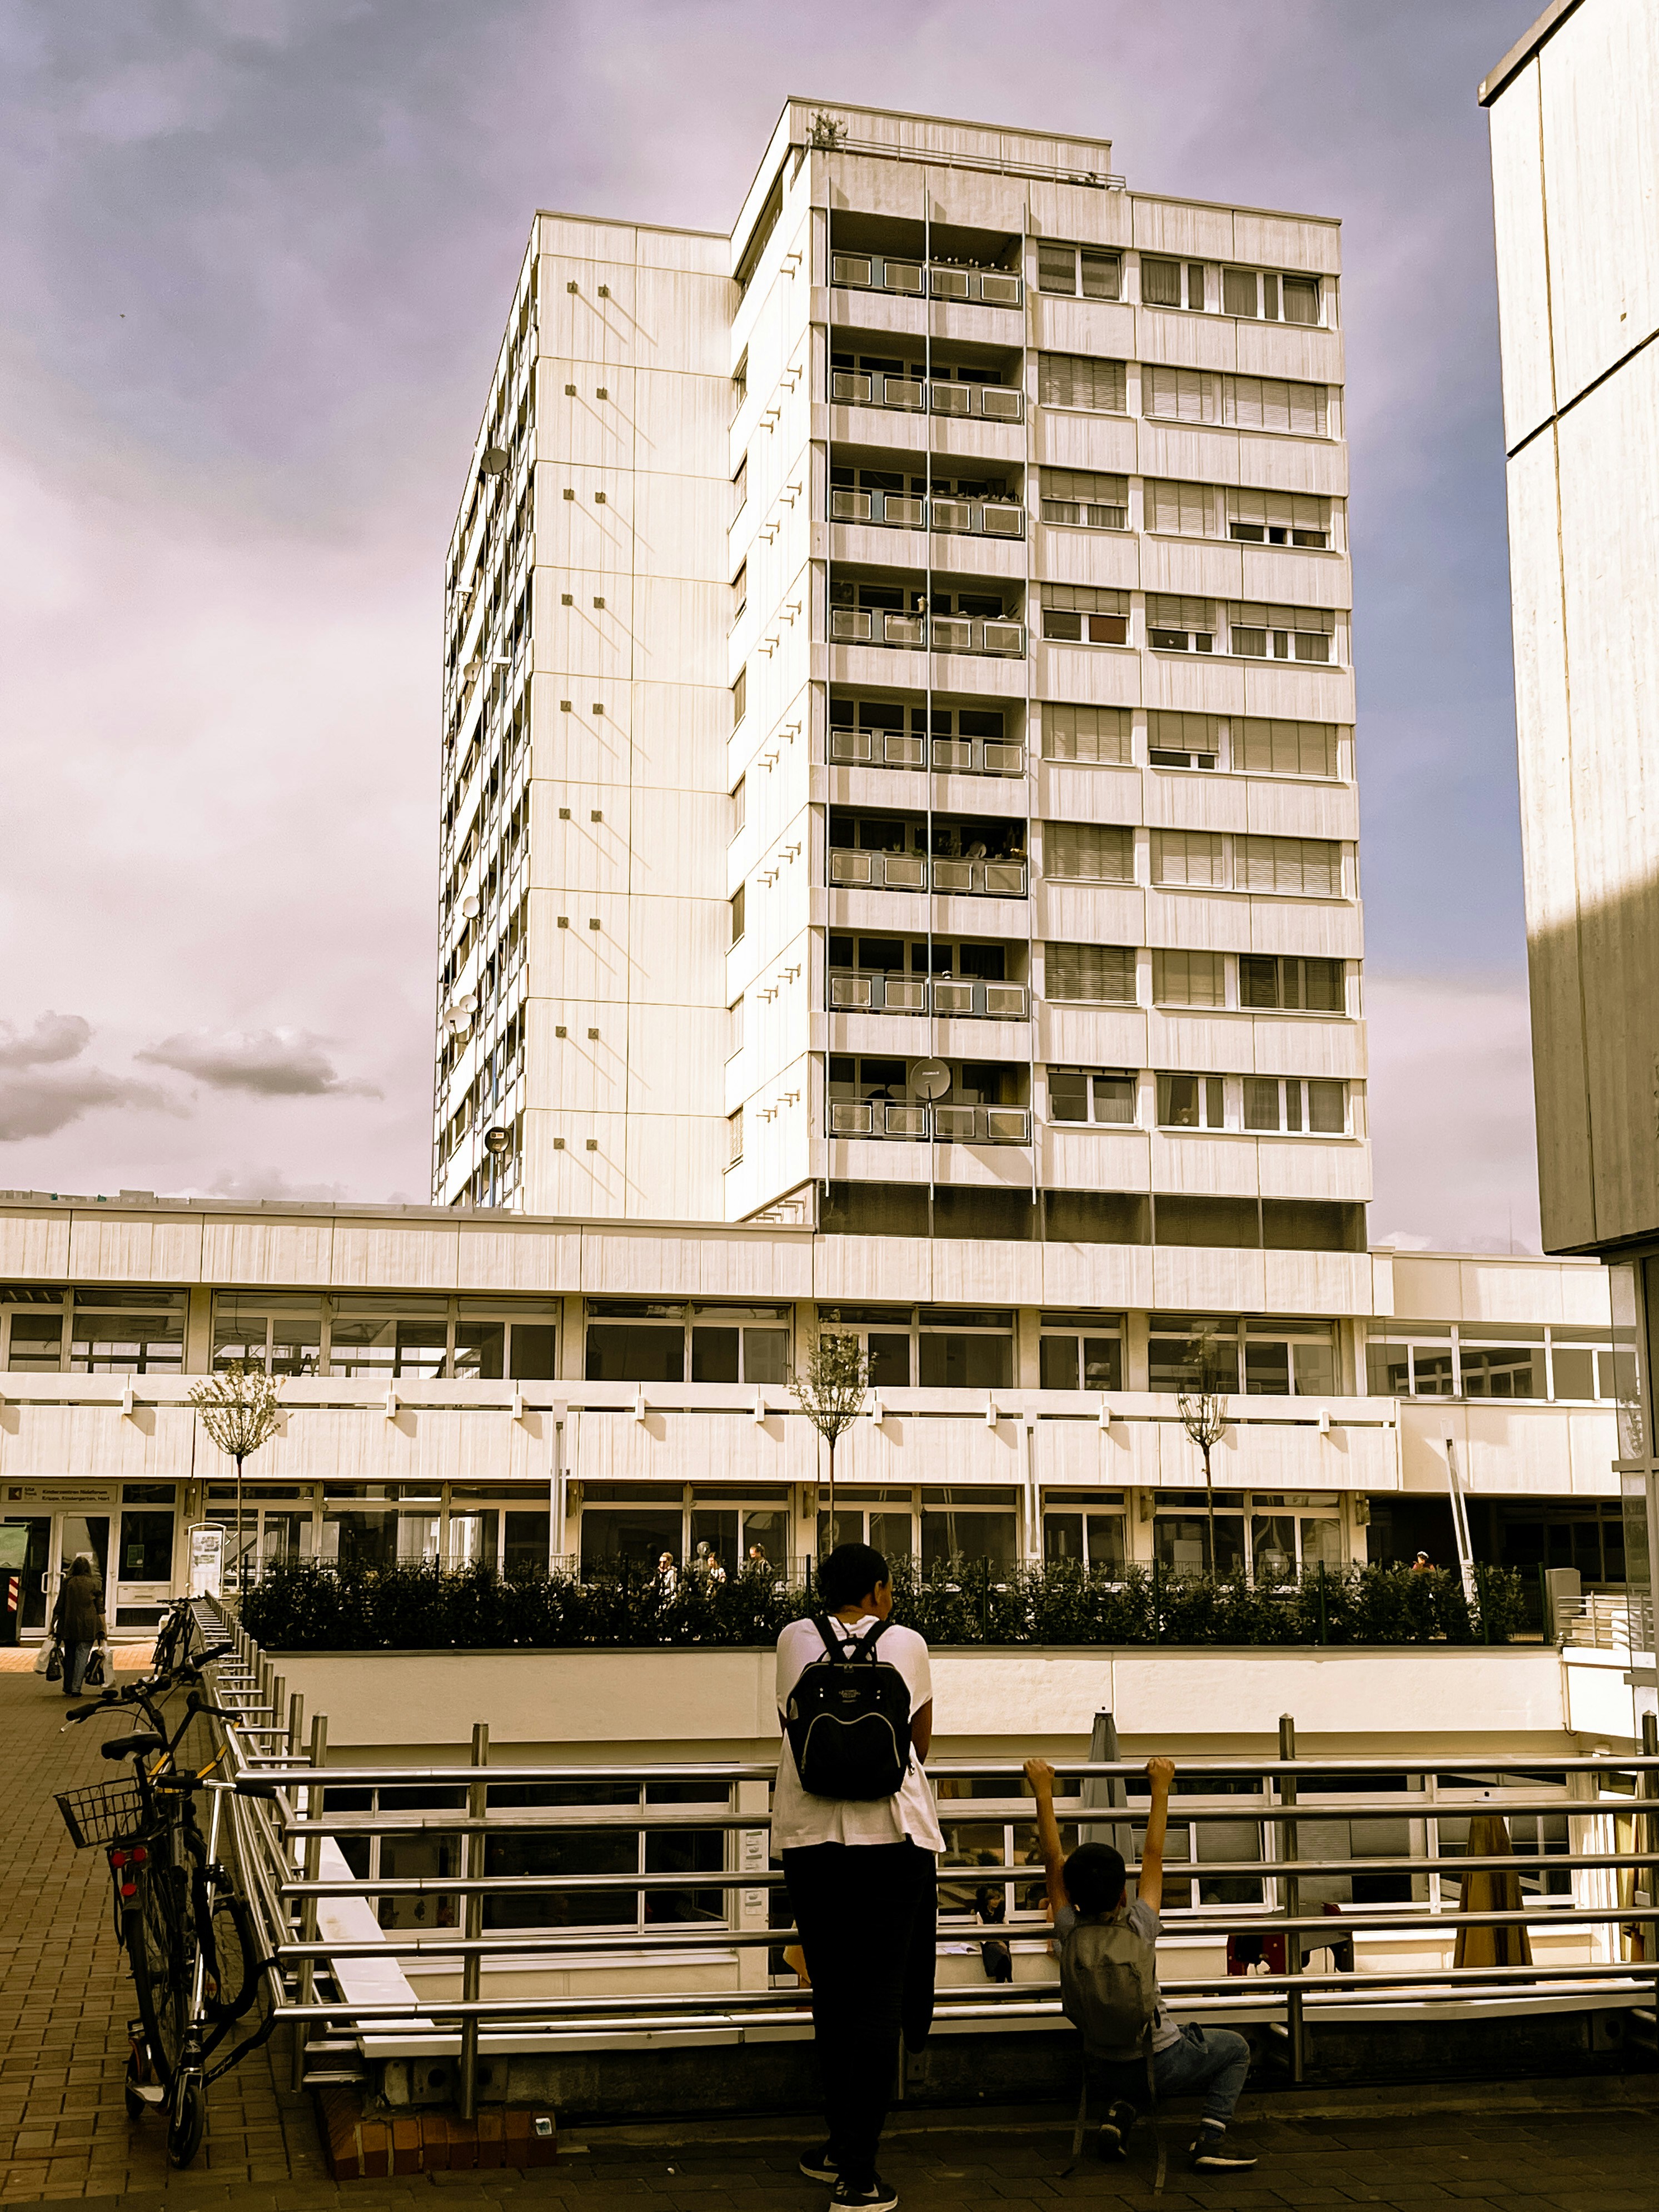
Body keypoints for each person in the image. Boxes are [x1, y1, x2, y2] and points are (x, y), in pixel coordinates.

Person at [777, 1543, 941, 2212]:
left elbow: (793, 1728)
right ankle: (859, 2174)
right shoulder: (907, 1642)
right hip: (892, 1839)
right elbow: (919, 1745)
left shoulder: (794, 1639)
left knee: (833, 1995)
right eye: (890, 1587)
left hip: (810, 1839)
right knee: (878, 2002)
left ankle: (839, 2146)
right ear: (876, 1590)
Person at [1024, 1755, 1257, 2174]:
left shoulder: (1067, 1929)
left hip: (1101, 2064)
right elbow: (1153, 1853)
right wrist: (1161, 1786)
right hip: (1158, 2061)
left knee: (1160, 2050)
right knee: (1234, 2049)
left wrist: (1043, 1790)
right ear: (1122, 1896)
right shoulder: (1139, 1925)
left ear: (1071, 1896)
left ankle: (1118, 2115)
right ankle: (1210, 2137)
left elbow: (1051, 1857)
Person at [49, 1555, 106, 1698]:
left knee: (70, 1656)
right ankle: (76, 1688)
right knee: (82, 1656)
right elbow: (100, 1609)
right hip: (89, 1625)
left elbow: (60, 1606)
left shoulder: (67, 1583)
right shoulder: (95, 1584)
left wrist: (52, 1625)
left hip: (69, 1625)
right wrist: (103, 1628)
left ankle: (67, 1686)